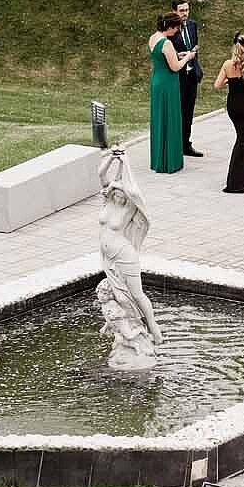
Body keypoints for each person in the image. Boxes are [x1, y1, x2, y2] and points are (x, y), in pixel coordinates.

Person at [98, 149, 163, 348]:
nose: (118, 194)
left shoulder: (130, 206)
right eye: (115, 191)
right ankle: (123, 328)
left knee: (136, 294)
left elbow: (133, 190)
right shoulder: (108, 202)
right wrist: (112, 157)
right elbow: (101, 174)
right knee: (119, 295)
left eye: (121, 192)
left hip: (124, 254)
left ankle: (154, 329)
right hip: (109, 258)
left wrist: (125, 163)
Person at [213, 33, 244, 194]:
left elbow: (217, 85)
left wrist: (230, 80)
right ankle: (236, 181)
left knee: (243, 137)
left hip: (233, 107)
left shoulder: (227, 65)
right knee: (243, 140)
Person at [148, 12, 197, 174]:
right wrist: (188, 57)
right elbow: (175, 67)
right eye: (176, 29)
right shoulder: (167, 43)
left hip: (157, 82)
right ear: (170, 27)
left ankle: (158, 158)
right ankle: (169, 160)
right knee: (170, 118)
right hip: (168, 83)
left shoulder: (153, 38)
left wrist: (178, 55)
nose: (176, 32)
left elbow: (162, 58)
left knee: (160, 118)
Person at [172, 0, 204, 158]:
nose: (185, 13)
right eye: (181, 10)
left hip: (191, 75)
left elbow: (195, 47)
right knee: (177, 111)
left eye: (186, 10)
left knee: (188, 111)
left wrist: (194, 59)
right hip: (178, 77)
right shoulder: (171, 29)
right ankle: (175, 144)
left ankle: (186, 143)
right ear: (174, 12)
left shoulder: (192, 25)